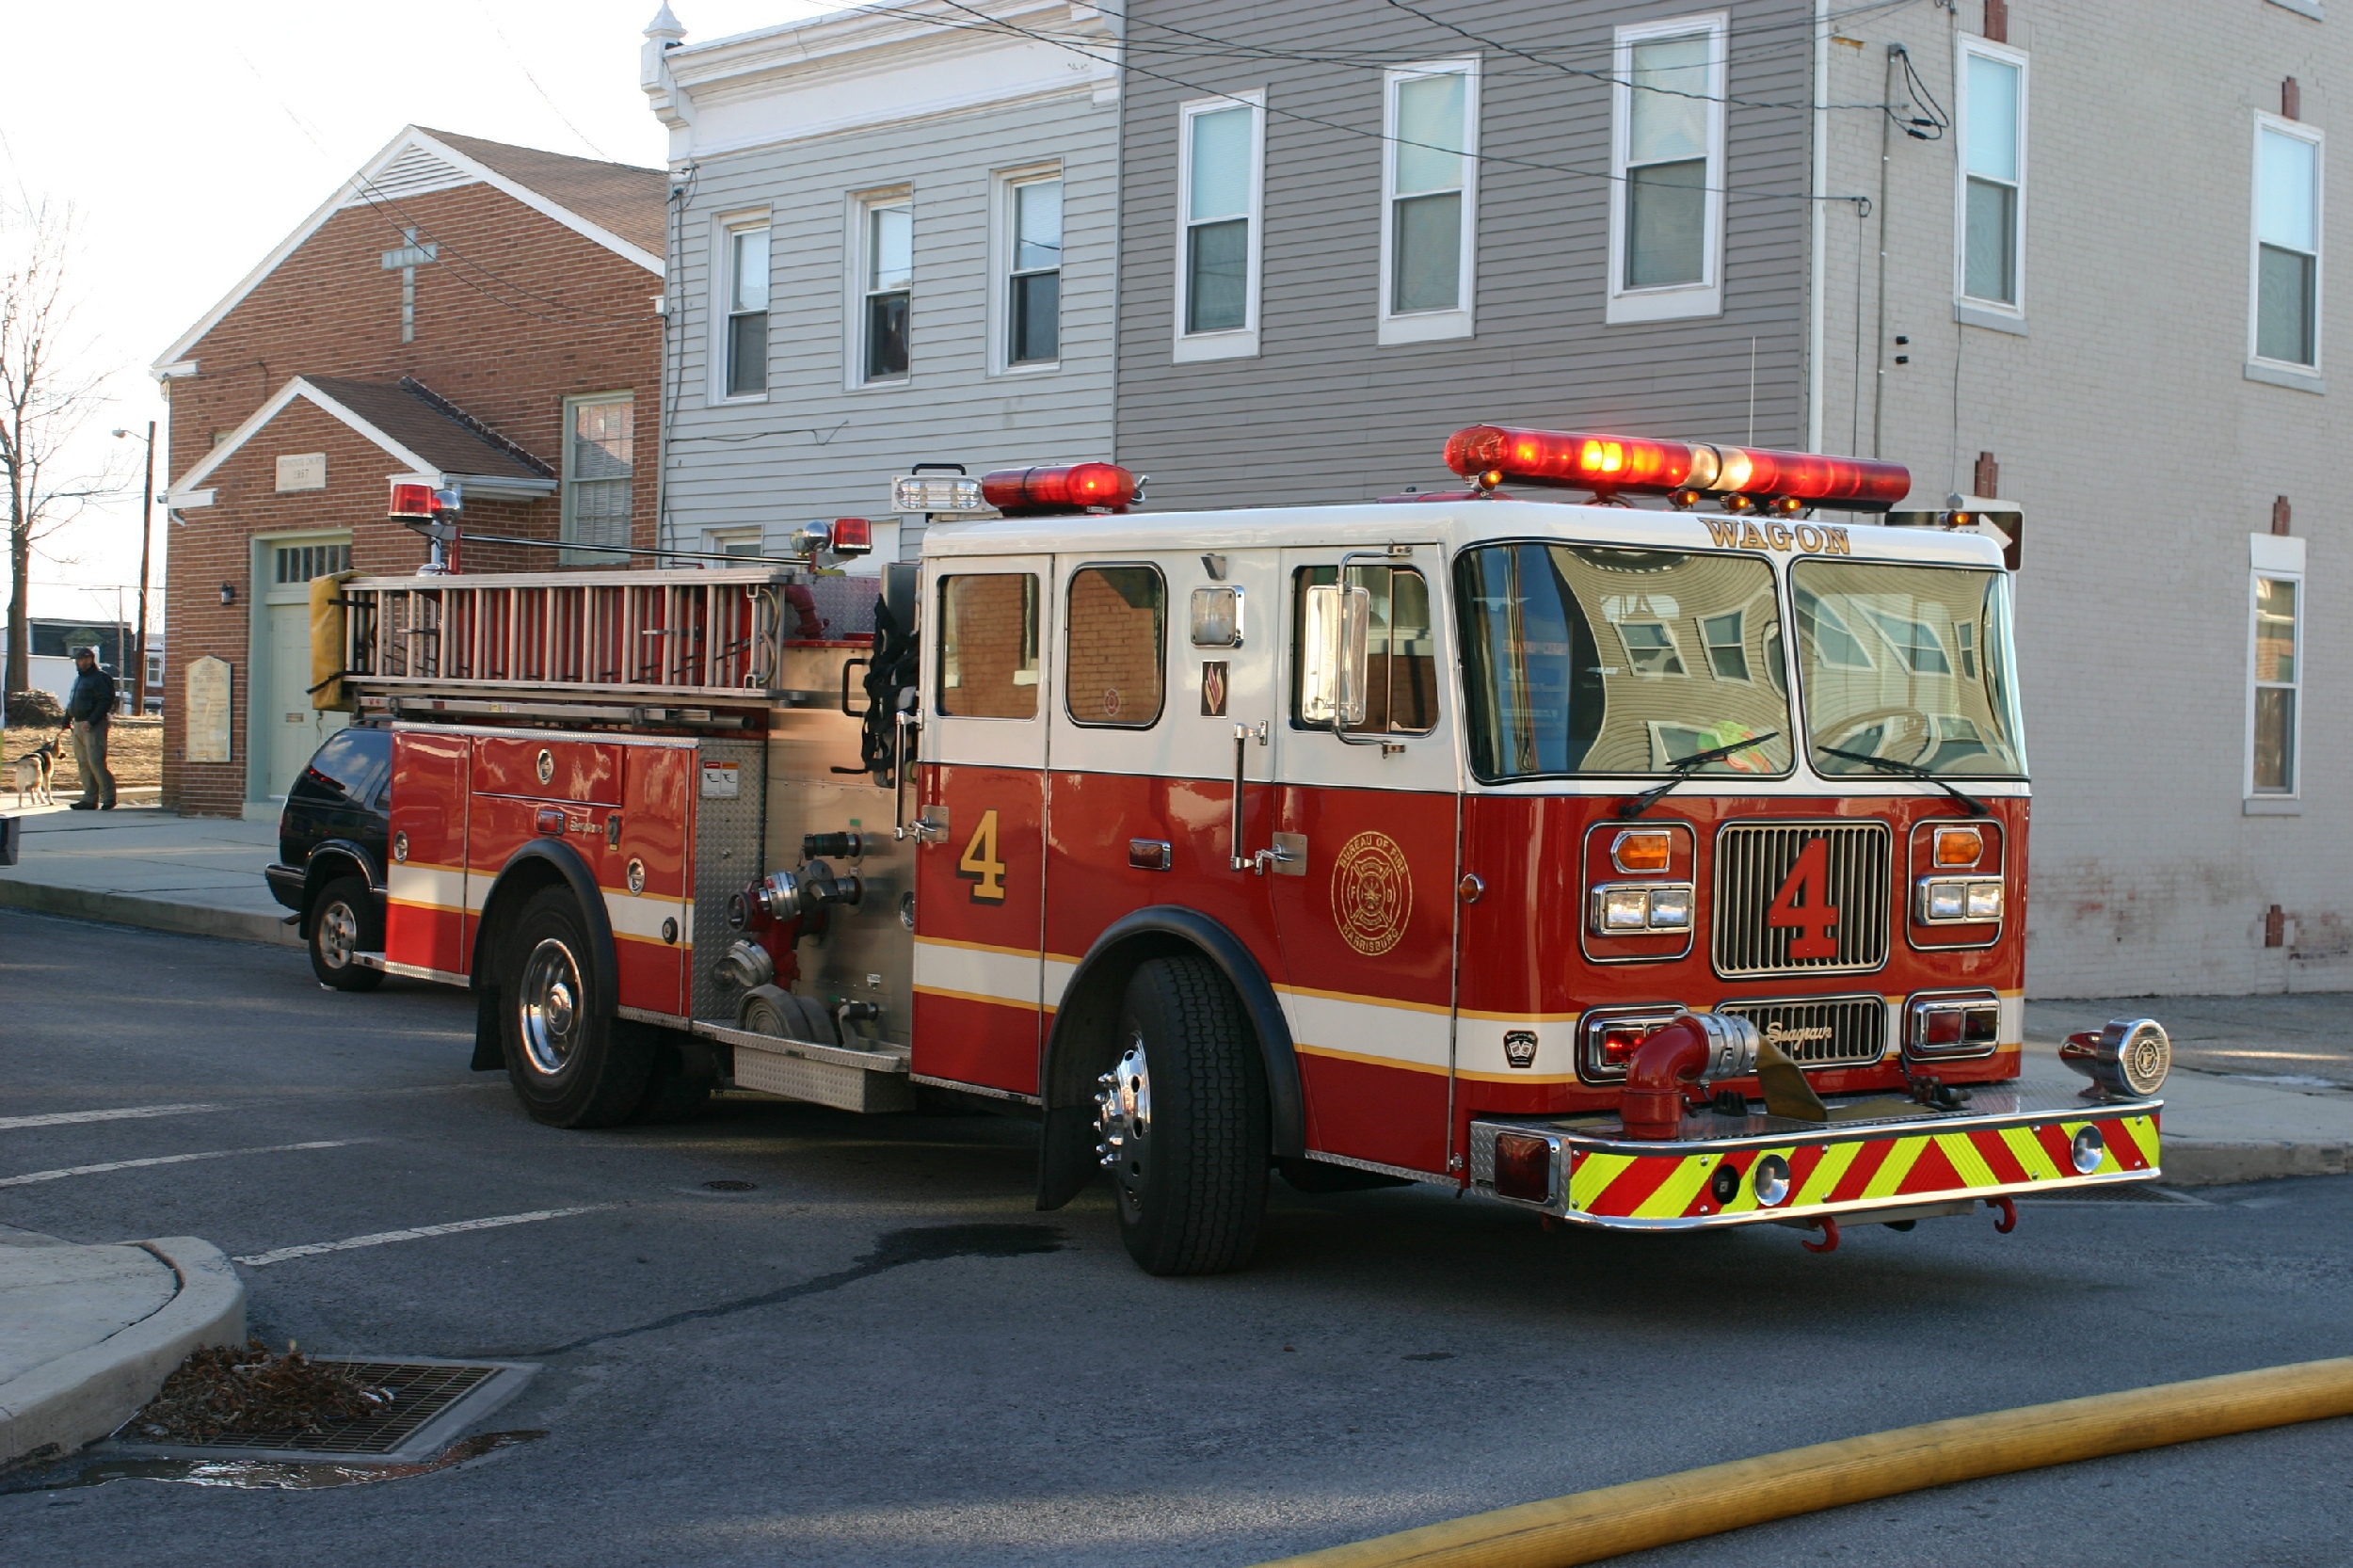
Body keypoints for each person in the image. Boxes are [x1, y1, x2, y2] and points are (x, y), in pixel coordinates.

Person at [61, 647, 119, 810]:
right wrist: (66, 719)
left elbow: (105, 701)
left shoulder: (100, 678)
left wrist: (91, 721)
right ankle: (89, 798)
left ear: (89, 659)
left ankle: (108, 797)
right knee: (83, 762)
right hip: (78, 724)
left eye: (80, 660)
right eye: (77, 660)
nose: (78, 663)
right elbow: (73, 701)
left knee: (96, 762)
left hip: (94, 725)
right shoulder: (79, 679)